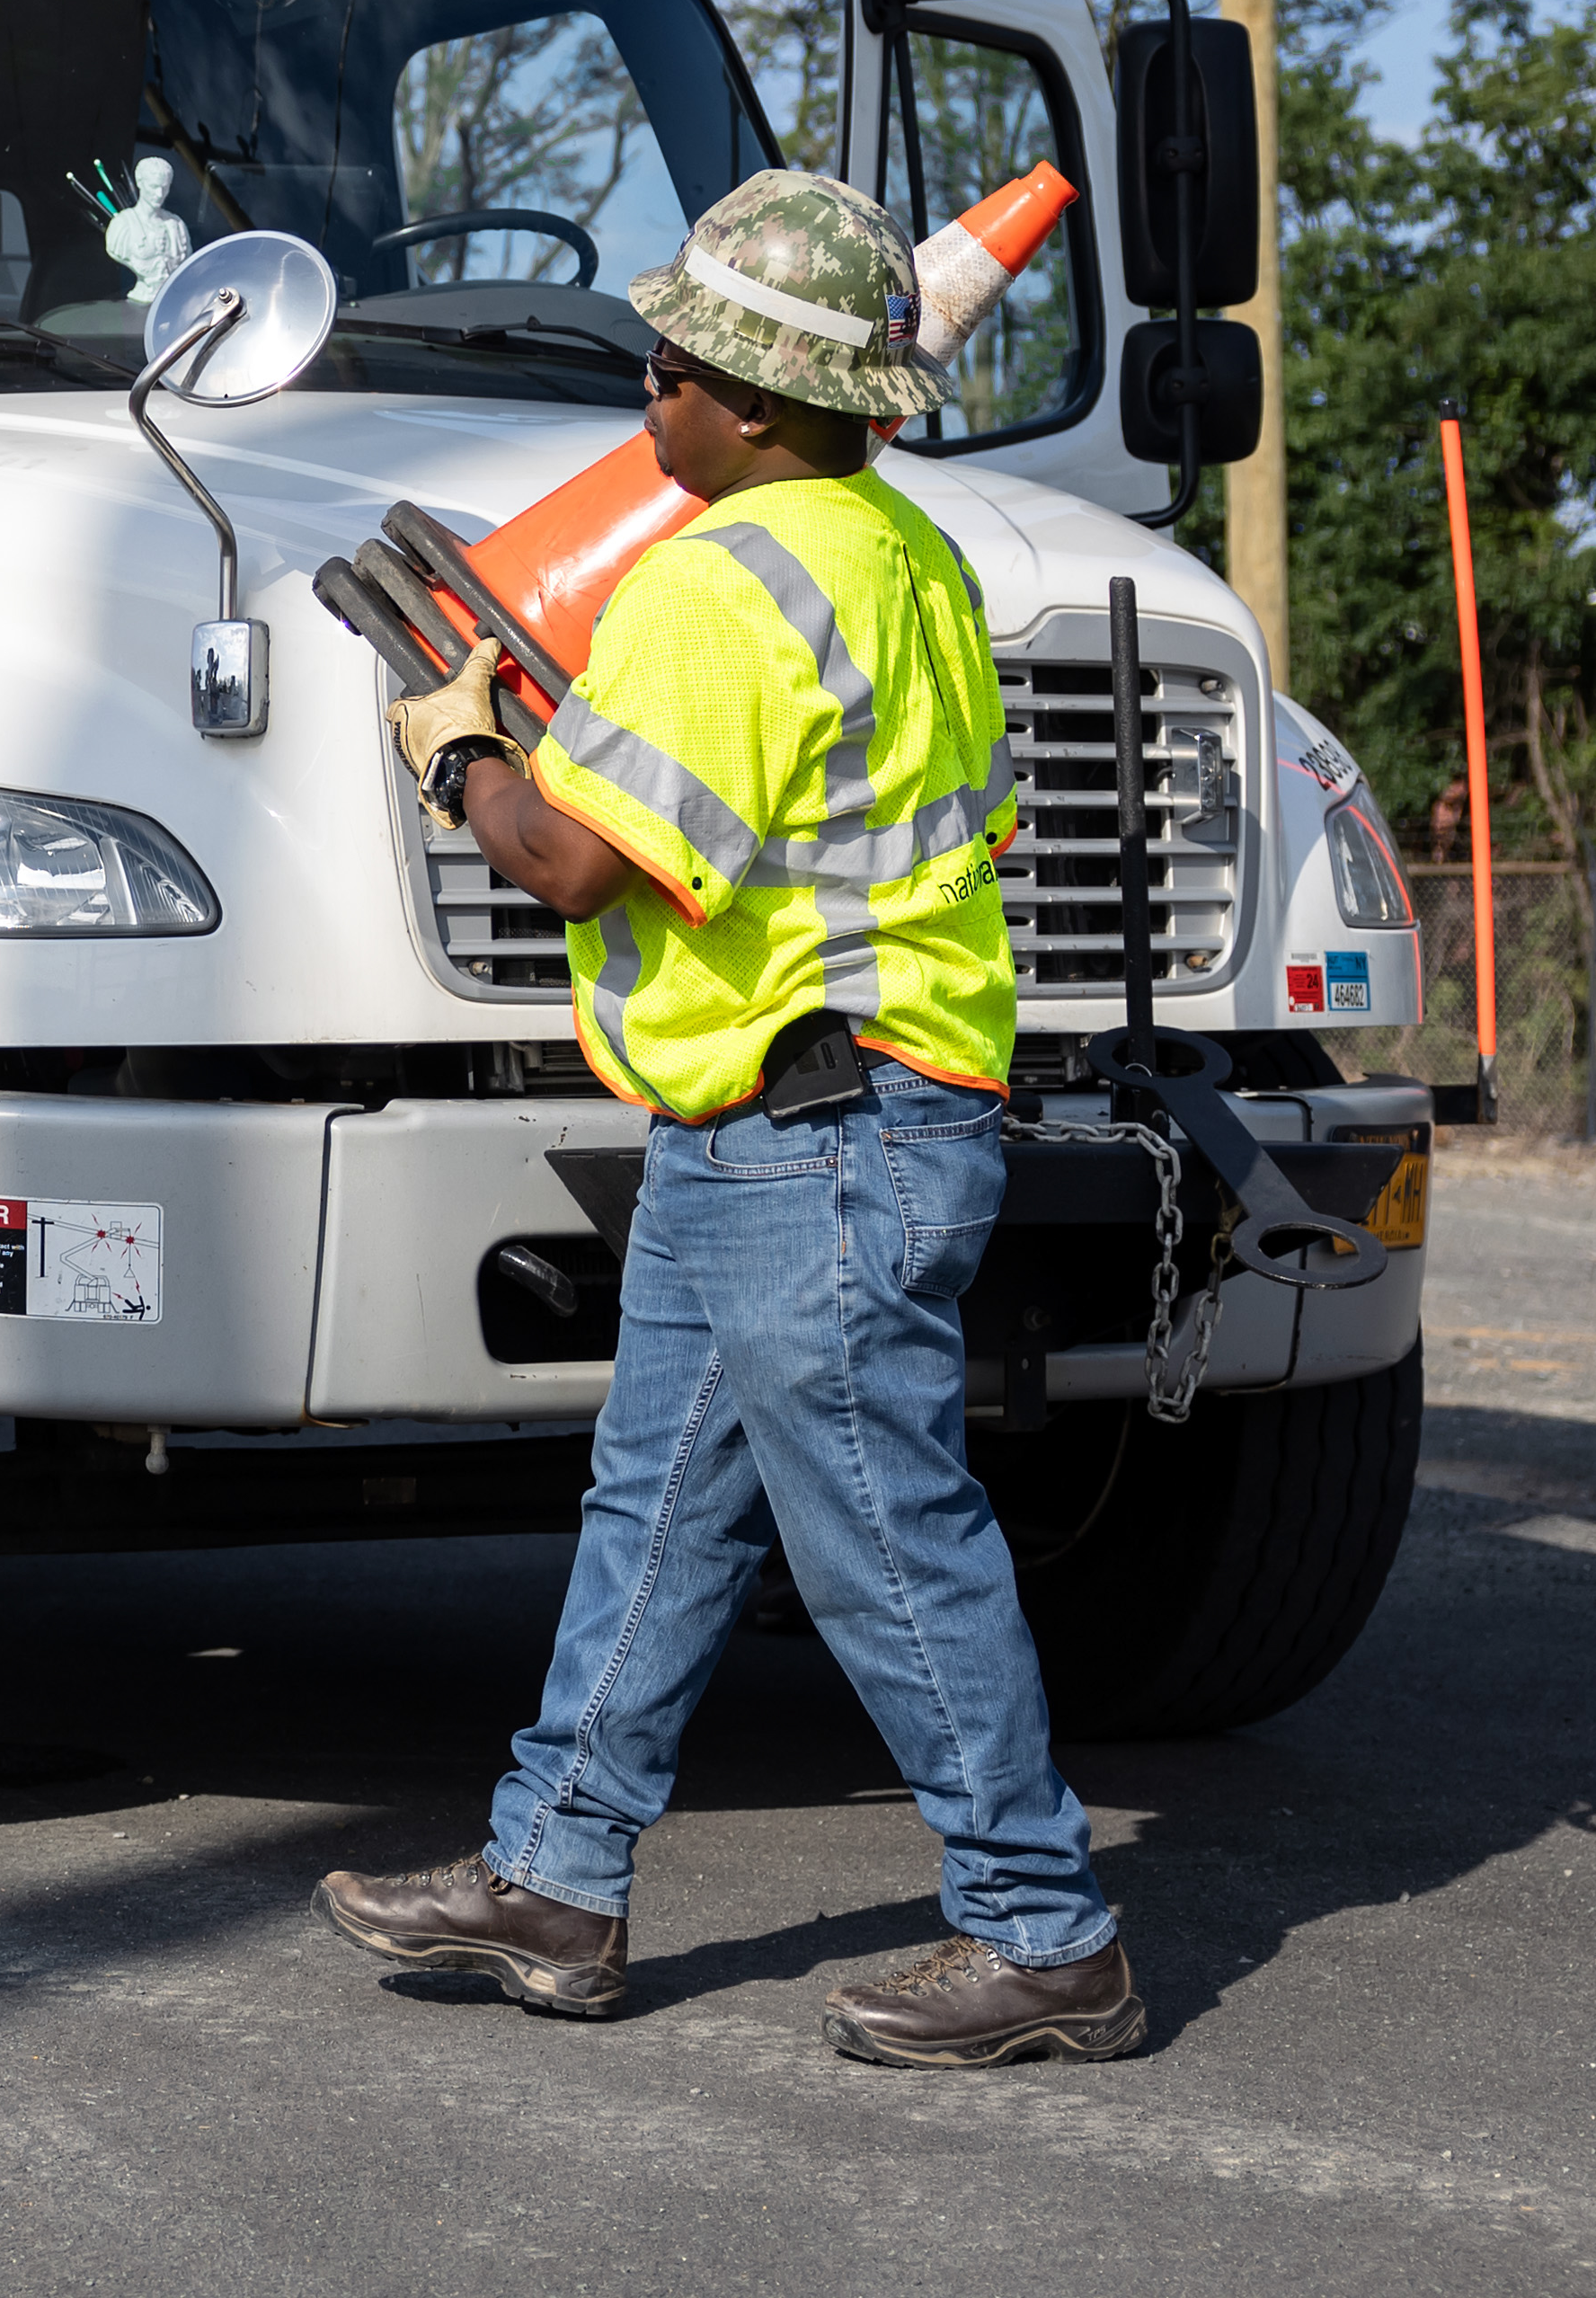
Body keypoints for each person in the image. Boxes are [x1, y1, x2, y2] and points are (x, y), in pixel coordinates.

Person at [324, 169, 1139, 2070]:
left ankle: (1047, 1930)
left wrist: (455, 745)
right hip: (816, 1112)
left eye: (671, 362)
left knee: (885, 1537)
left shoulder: (711, 577)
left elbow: (577, 863)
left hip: (821, 1129)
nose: (648, 392)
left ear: (754, 400)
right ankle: (554, 1874)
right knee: (662, 1511)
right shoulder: (905, 551)